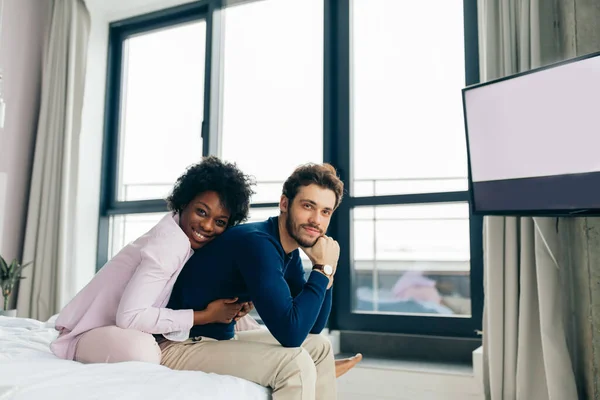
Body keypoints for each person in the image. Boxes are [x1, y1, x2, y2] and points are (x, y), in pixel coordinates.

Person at [160, 162, 357, 399]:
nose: (316, 220)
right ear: (285, 203)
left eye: (325, 212)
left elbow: (311, 328)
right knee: (293, 363)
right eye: (308, 206)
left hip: (216, 337)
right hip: (179, 344)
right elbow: (291, 334)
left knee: (319, 345)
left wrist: (328, 271)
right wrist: (321, 269)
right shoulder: (258, 243)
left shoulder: (288, 251)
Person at [50, 156, 259, 363]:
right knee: (143, 352)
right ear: (184, 202)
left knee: (249, 328)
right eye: (201, 212)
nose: (207, 226)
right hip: (90, 333)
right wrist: (206, 315)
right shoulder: (169, 244)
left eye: (220, 222)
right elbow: (130, 317)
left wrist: (232, 309)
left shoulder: (194, 245)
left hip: (128, 328)